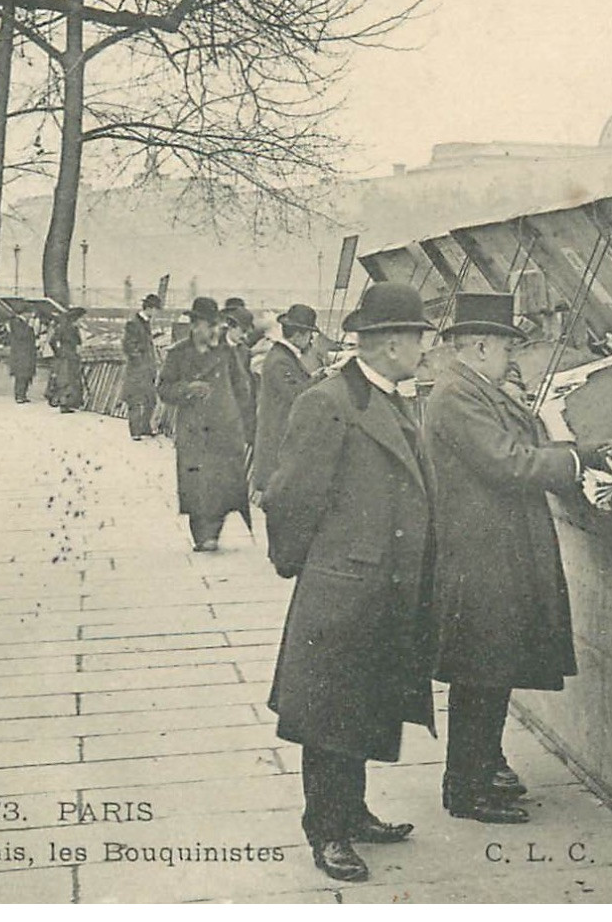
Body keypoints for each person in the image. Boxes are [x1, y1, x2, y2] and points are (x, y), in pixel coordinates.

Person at [264, 282, 437, 883]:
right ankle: (327, 830)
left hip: (380, 586)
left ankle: (353, 811)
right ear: (391, 343)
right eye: (418, 336)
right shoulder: (329, 400)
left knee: (361, 703)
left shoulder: (388, 397)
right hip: (343, 586)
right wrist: (307, 567)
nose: (424, 348)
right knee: (329, 711)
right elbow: (288, 496)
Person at [423, 292, 603, 825]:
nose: (511, 358)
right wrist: (574, 459)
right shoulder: (457, 396)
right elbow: (507, 464)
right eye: (506, 347)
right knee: (479, 672)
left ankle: (483, 768)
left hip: (495, 552)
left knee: (492, 669)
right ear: (480, 346)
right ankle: (465, 788)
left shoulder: (475, 388)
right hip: (480, 557)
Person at [157, 298, 254, 552]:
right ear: (195, 326)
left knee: (222, 483)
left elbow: (242, 388)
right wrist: (187, 389)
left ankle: (213, 532)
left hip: (224, 428)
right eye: (210, 325)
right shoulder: (178, 354)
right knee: (198, 485)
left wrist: (239, 419)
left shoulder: (226, 353)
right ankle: (203, 536)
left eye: (217, 325)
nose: (215, 330)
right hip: (194, 430)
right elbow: (163, 389)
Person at [249, 304, 320, 501]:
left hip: (277, 434)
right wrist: (322, 378)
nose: (311, 340)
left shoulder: (281, 355)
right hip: (278, 436)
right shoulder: (281, 360)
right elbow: (297, 394)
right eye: (309, 335)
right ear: (299, 335)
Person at [122, 294, 165, 439]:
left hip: (147, 370)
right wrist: (139, 362)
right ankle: (135, 431)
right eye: (156, 310)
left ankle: (144, 427)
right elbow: (128, 346)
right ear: (150, 308)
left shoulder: (145, 323)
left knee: (150, 399)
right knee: (135, 400)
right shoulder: (134, 324)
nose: (157, 313)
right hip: (137, 370)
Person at [49, 307, 86, 413]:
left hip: (66, 355)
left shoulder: (64, 328)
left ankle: (67, 402)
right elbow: (78, 344)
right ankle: (65, 404)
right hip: (69, 356)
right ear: (76, 319)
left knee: (67, 379)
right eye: (81, 319)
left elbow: (52, 341)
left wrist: (58, 352)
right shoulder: (71, 329)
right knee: (69, 379)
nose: (82, 321)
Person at [7, 314, 38, 403]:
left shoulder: (21, 323)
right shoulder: (17, 322)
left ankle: (23, 395)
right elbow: (22, 335)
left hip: (26, 353)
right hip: (21, 353)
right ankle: (19, 395)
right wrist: (30, 327)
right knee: (21, 375)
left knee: (26, 375)